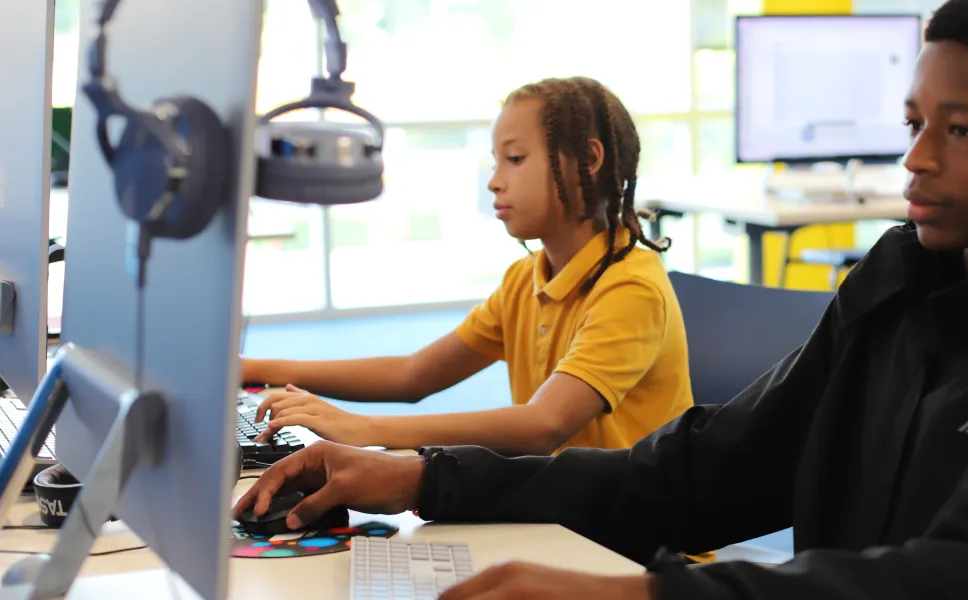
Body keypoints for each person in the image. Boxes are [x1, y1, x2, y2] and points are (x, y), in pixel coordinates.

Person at [236, 1, 968, 598]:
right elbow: (694, 474)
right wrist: (423, 478)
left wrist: (644, 597)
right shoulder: (898, 290)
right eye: (914, 123)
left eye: (962, 130)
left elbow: (957, 581)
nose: (917, 158)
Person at [241, 76, 693, 458]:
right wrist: (255, 367)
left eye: (515, 159)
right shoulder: (526, 279)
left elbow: (544, 423)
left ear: (589, 162)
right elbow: (413, 375)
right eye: (497, 161)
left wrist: (363, 429)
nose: (495, 180)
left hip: (637, 541)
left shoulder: (630, 287)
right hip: (566, 514)